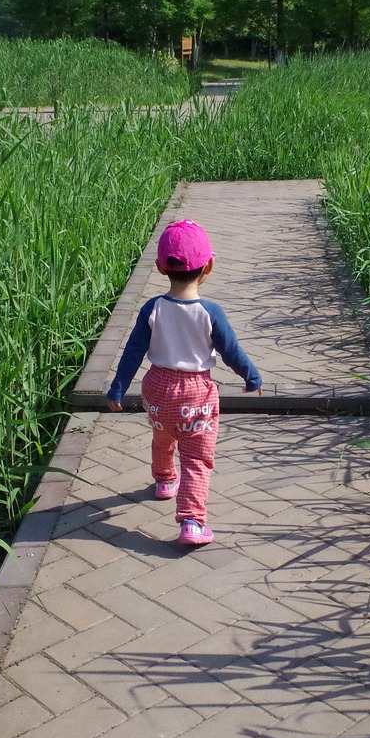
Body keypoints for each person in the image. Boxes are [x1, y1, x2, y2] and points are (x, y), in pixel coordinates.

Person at [106, 219, 262, 546]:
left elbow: (133, 352)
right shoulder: (211, 312)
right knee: (196, 457)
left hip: (157, 388)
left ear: (161, 267)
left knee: (163, 438)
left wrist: (118, 387)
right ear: (210, 266)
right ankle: (191, 520)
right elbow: (231, 351)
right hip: (197, 393)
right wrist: (251, 376)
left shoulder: (153, 308)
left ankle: (164, 482)